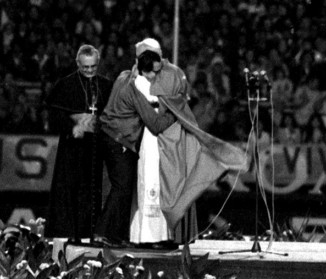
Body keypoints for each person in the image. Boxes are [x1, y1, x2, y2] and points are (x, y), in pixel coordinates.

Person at [102, 38, 246, 248]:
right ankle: (144, 236)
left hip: (167, 141)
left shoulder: (171, 74)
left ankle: (164, 235)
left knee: (166, 188)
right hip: (147, 141)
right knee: (145, 188)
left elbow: (175, 106)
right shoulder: (130, 78)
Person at [44, 45, 113, 243]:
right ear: (78, 64)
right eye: (85, 67)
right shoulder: (66, 84)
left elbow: (110, 114)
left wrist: (97, 123)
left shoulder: (106, 85)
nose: (90, 71)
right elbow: (55, 114)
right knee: (72, 189)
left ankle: (93, 233)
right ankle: (73, 233)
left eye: (93, 67)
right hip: (73, 148)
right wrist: (71, 127)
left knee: (94, 190)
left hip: (95, 147)